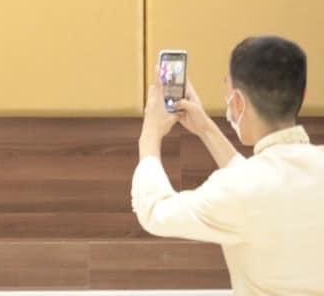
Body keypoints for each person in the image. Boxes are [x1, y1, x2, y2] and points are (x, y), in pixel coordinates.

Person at [133, 36, 324, 295]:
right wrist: (205, 129)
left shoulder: (241, 189)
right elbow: (266, 185)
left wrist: (150, 133)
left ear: (238, 102)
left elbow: (156, 212)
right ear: (303, 94)